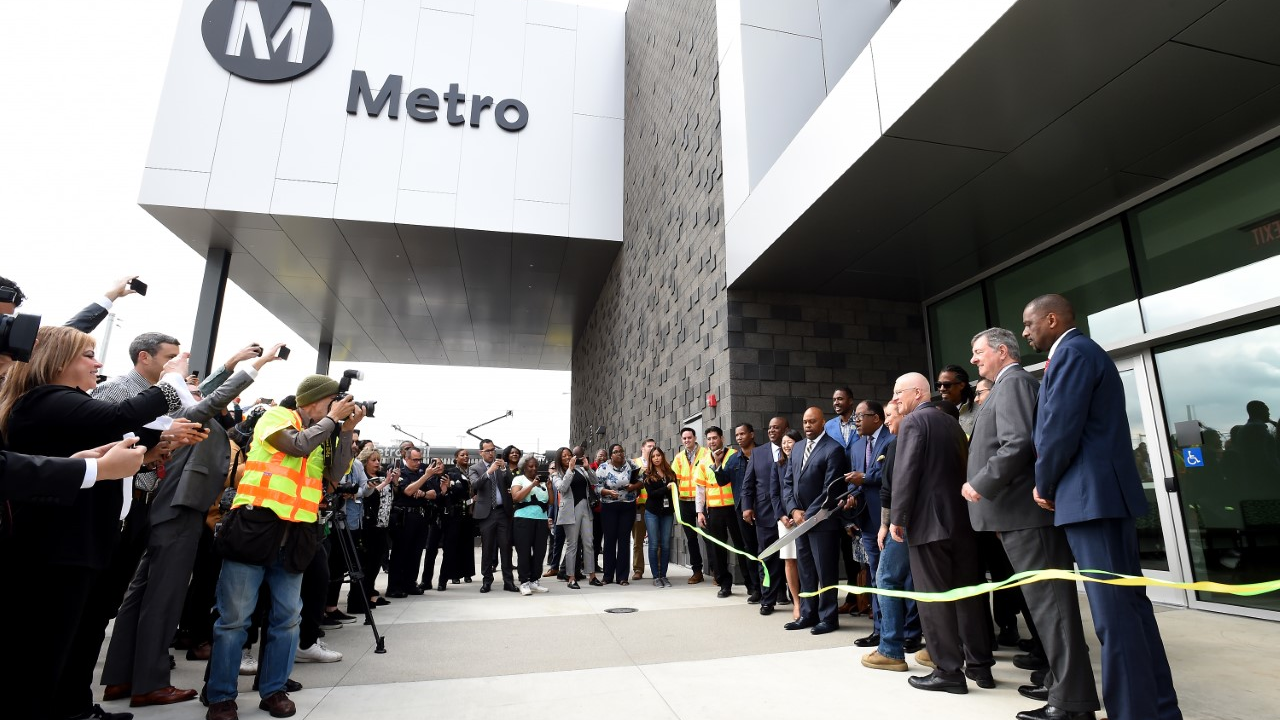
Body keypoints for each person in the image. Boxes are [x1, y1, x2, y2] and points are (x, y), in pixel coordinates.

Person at [0, 325, 201, 720]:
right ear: (57, 361)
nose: (99, 362)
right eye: (88, 355)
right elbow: (120, 416)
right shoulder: (48, 399)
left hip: (76, 540)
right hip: (57, 545)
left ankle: (73, 707)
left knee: (77, 634)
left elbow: (114, 433)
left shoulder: (60, 401)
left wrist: (151, 448)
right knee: (45, 652)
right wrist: (172, 378)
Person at [1025, 293, 1181, 720]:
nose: (1025, 331)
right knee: (1130, 611)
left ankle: (1135, 712)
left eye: (1029, 323)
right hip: (1099, 499)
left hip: (1090, 501)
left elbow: (1059, 426)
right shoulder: (1082, 352)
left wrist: (1044, 481)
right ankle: (1159, 710)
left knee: (1115, 616)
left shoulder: (1073, 352)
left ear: (1052, 319)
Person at [102, 344, 285, 707]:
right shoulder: (182, 407)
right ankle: (149, 684)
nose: (198, 388)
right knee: (163, 598)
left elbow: (206, 393)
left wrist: (232, 362)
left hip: (172, 509)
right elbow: (208, 400)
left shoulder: (182, 404)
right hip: (180, 509)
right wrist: (256, 366)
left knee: (142, 594)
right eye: (189, 384)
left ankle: (121, 678)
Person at [204, 374, 361, 720]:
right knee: (234, 620)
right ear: (313, 399)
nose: (338, 405)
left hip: (296, 537)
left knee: (288, 619)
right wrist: (333, 420)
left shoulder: (326, 434)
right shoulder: (276, 418)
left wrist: (346, 430)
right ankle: (220, 696)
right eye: (333, 399)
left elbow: (334, 478)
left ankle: (273, 690)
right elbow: (296, 445)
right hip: (254, 530)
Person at [965, 326, 1100, 720]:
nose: (974, 359)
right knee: (1046, 612)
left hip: (1026, 518)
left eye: (978, 351)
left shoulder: (1013, 384)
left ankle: (1072, 704)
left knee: (1054, 611)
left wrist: (980, 483)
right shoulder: (1007, 385)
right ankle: (1060, 684)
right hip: (1016, 518)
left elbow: (1018, 442)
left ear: (1003, 352)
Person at [889, 372, 995, 694]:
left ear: (918, 393)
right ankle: (980, 666)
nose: (894, 400)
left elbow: (906, 473)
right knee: (968, 597)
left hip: (929, 525)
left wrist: (898, 518)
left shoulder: (913, 422)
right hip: (962, 523)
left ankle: (948, 671)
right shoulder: (951, 422)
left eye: (898, 393)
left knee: (934, 600)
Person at [862, 399, 925, 673]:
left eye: (890, 415)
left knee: (886, 577)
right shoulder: (930, 434)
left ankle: (890, 649)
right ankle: (937, 647)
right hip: (931, 522)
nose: (888, 421)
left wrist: (886, 525)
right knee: (927, 582)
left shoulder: (898, 443)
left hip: (905, 524)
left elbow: (891, 489)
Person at [781, 407, 850, 635]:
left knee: (825, 571)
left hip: (822, 522)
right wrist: (793, 510)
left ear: (823, 423)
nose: (808, 425)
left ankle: (828, 618)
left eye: (812, 422)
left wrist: (807, 514)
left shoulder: (834, 449)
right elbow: (788, 483)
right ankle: (808, 614)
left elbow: (831, 489)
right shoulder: (798, 447)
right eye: (805, 422)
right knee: (806, 570)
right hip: (800, 522)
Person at [849, 400, 894, 649]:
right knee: (875, 576)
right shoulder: (857, 446)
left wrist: (864, 478)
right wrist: (850, 495)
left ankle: (906, 631)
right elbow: (854, 479)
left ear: (876, 418)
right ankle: (879, 629)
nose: (856, 420)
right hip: (866, 521)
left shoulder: (890, 440)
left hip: (888, 519)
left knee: (893, 577)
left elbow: (888, 476)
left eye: (860, 415)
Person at [699, 426, 758, 600]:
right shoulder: (703, 461)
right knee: (718, 548)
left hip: (735, 508)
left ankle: (751, 585)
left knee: (743, 546)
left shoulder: (734, 455)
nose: (712, 442)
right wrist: (699, 512)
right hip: (714, 510)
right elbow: (700, 488)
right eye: (709, 439)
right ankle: (724, 584)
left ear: (722, 439)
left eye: (714, 438)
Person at [740, 417, 788, 615]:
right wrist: (746, 507)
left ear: (786, 429)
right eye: (769, 428)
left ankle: (796, 596)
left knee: (793, 558)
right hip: (765, 514)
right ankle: (768, 599)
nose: (771, 431)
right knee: (767, 559)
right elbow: (748, 484)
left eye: (776, 428)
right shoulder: (758, 453)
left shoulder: (796, 447)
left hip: (790, 515)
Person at [386, 448, 445, 597]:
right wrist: (424, 478)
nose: (418, 462)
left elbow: (434, 493)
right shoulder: (401, 472)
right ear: (406, 458)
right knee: (401, 553)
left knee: (416, 552)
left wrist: (423, 493)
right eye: (415, 460)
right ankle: (394, 587)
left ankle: (410, 583)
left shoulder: (422, 472)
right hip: (405, 517)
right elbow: (407, 491)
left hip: (421, 516)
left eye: (420, 459)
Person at [471, 439, 518, 593]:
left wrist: (504, 470)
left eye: (493, 450)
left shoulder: (501, 467)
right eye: (488, 450)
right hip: (486, 513)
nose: (491, 453)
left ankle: (508, 581)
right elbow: (475, 485)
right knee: (488, 548)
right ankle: (487, 581)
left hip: (503, 512)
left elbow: (513, 483)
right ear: (481, 453)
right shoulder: (475, 468)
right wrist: (489, 471)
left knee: (506, 547)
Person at [550, 446, 599, 588]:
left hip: (586, 508)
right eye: (564, 456)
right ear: (559, 458)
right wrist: (570, 470)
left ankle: (592, 576)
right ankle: (571, 578)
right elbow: (563, 488)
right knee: (572, 545)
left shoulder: (581, 469)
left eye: (569, 455)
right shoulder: (556, 474)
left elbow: (595, 481)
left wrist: (588, 468)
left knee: (589, 543)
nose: (567, 457)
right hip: (570, 511)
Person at [353, 448, 395, 611]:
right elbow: (367, 494)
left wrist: (392, 482)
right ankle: (361, 598)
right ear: (365, 462)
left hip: (382, 525)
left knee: (376, 564)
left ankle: (371, 594)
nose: (378, 462)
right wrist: (384, 483)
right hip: (368, 525)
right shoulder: (365, 479)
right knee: (367, 564)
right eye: (374, 460)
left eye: (379, 459)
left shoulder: (382, 477)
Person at [595, 444, 641, 584]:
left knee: (624, 541)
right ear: (610, 455)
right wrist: (608, 492)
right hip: (609, 507)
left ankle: (622, 577)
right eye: (616, 452)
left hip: (628, 506)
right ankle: (608, 576)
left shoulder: (631, 464)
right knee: (609, 541)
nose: (619, 454)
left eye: (621, 451)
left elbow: (642, 481)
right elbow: (596, 487)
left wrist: (633, 486)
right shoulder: (603, 468)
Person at [670, 427, 711, 583]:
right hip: (685, 502)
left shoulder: (706, 453)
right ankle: (697, 571)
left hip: (702, 502)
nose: (687, 440)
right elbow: (674, 478)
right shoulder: (679, 457)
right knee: (691, 538)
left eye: (689, 437)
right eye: (684, 438)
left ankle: (716, 572)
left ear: (695, 438)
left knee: (708, 536)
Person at [774, 429, 804, 620]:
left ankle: (809, 600)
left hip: (805, 518)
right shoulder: (777, 465)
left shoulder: (804, 460)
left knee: (807, 561)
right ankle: (797, 603)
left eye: (790, 441)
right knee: (790, 560)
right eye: (783, 442)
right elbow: (774, 494)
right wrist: (783, 516)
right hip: (786, 521)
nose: (786, 445)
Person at [510, 455, 552, 595]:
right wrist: (532, 485)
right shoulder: (519, 479)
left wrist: (550, 488)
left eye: (536, 466)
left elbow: (550, 501)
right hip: (523, 519)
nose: (534, 469)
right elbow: (516, 497)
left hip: (541, 519)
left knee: (540, 552)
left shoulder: (542, 482)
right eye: (531, 466)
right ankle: (524, 582)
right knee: (524, 551)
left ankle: (535, 580)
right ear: (524, 467)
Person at [437, 449, 476, 588]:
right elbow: (455, 493)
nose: (465, 457)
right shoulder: (452, 473)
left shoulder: (472, 472)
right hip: (455, 514)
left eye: (467, 455)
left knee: (467, 544)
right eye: (462, 455)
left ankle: (467, 573)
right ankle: (451, 576)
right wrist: (454, 486)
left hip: (469, 514)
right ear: (456, 458)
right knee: (452, 547)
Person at [641, 445, 678, 586]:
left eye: (658, 455)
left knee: (666, 544)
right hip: (652, 512)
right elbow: (652, 494)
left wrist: (671, 488)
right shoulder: (647, 473)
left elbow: (675, 491)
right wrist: (666, 488)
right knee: (654, 544)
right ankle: (656, 577)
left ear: (662, 456)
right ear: (650, 459)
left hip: (667, 513)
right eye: (653, 456)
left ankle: (664, 575)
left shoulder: (670, 472)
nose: (656, 458)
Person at [630, 438, 656, 580]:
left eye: (654, 446)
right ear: (642, 448)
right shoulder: (634, 464)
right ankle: (638, 569)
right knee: (638, 540)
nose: (652, 449)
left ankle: (656, 570)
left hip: (654, 506)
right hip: (639, 506)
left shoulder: (657, 463)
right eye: (649, 446)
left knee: (655, 540)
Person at [937, 364, 979, 437]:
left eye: (947, 385)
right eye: (939, 385)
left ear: (961, 385)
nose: (942, 389)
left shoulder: (978, 409)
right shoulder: (935, 412)